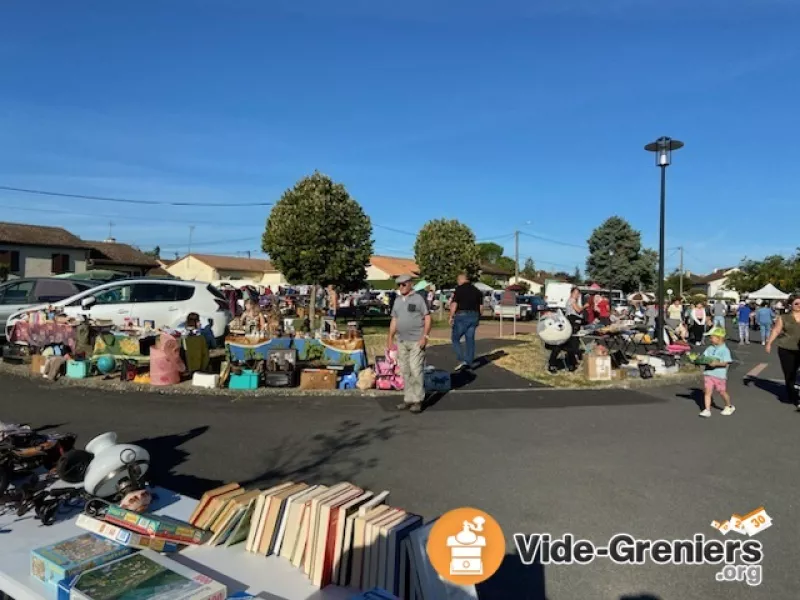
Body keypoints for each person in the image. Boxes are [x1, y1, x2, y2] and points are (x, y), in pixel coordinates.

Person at [388, 275, 431, 414]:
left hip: (416, 340)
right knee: (405, 370)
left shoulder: (418, 299)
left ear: (410, 284)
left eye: (403, 284)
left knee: (415, 369)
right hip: (401, 340)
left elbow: (427, 317)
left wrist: (425, 336)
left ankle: (418, 399)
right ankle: (408, 398)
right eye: (398, 285)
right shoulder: (398, 300)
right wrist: (390, 337)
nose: (401, 287)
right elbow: (395, 319)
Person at [766, 295, 800, 409]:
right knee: (790, 374)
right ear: (791, 305)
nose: (799, 305)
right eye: (796, 303)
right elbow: (776, 330)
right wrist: (769, 343)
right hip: (786, 348)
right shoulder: (784, 317)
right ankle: (793, 396)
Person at [698, 326, 735, 418]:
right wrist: (699, 360)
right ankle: (707, 409)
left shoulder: (725, 350)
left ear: (719, 338)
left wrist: (717, 364)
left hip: (719, 375)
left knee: (722, 392)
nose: (710, 339)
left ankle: (729, 406)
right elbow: (704, 357)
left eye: (712, 337)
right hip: (708, 373)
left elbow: (726, 363)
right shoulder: (710, 348)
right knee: (707, 391)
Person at [449, 273, 483, 371]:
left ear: (460, 280)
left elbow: (454, 303)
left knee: (455, 338)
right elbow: (481, 307)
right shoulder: (477, 291)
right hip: (474, 316)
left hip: (462, 315)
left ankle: (462, 359)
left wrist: (451, 316)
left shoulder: (459, 289)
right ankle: (469, 361)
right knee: (470, 339)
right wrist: (478, 317)